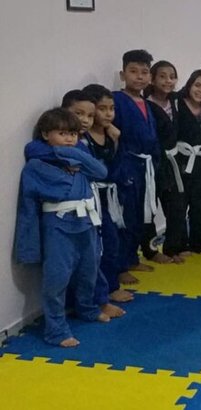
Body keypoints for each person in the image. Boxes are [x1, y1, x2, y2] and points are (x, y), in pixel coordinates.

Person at [15, 108, 111, 347]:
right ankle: (56, 330)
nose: (69, 139)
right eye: (62, 133)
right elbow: (29, 205)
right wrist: (60, 156)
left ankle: (87, 308)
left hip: (86, 222)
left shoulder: (78, 159)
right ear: (45, 134)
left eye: (73, 134)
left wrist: (74, 153)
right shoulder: (36, 165)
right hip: (58, 225)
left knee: (89, 269)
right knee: (57, 278)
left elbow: (102, 172)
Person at [63, 89, 127, 318]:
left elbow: (109, 169)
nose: (84, 120)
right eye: (79, 114)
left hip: (101, 198)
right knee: (90, 252)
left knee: (107, 244)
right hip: (79, 204)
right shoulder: (72, 142)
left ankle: (104, 292)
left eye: (89, 115)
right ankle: (94, 299)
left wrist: (116, 140)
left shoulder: (104, 136)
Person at [111, 49, 161, 282]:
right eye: (133, 71)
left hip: (145, 166)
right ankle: (120, 266)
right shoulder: (117, 100)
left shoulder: (146, 103)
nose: (139, 77)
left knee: (141, 214)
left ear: (149, 77)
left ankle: (132, 257)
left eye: (144, 72)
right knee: (125, 216)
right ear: (123, 75)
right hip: (127, 164)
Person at [82, 84, 132, 304]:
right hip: (92, 198)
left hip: (111, 196)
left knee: (113, 242)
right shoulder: (83, 139)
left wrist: (117, 140)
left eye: (111, 108)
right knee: (100, 246)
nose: (108, 113)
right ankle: (102, 291)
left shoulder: (112, 135)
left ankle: (111, 284)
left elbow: (117, 165)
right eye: (102, 109)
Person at [145, 60, 190, 264]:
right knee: (150, 208)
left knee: (177, 206)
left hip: (173, 160)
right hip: (153, 162)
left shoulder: (176, 100)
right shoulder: (146, 104)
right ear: (152, 79)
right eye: (162, 76)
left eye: (172, 77)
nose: (168, 81)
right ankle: (151, 250)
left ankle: (173, 247)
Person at [174, 69, 201, 254]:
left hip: (200, 161)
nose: (200, 90)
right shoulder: (177, 104)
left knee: (200, 203)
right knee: (180, 203)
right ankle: (180, 244)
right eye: (197, 85)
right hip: (181, 159)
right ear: (189, 85)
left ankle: (198, 243)